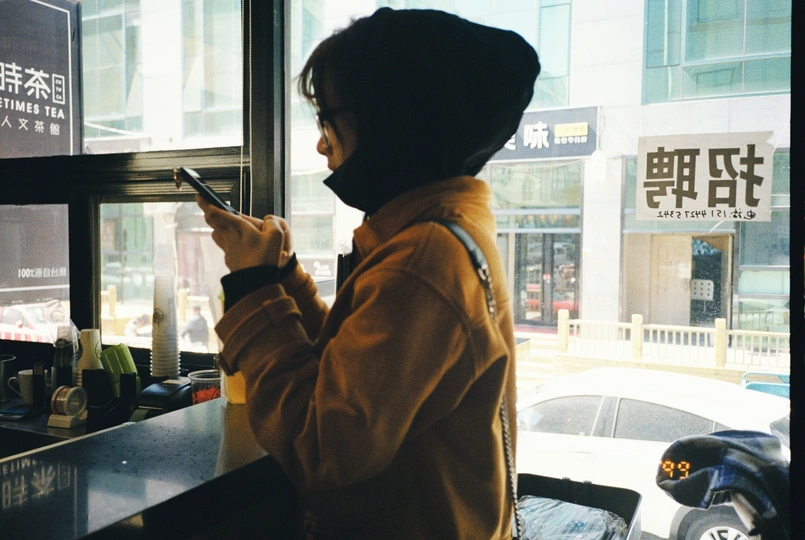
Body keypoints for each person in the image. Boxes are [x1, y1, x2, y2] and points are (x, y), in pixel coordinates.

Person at [197, 8, 539, 539]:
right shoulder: (440, 231)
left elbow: (320, 445)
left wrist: (253, 286)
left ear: (390, 119)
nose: (321, 143)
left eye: (327, 119)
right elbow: (350, 374)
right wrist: (283, 275)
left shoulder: (422, 261)